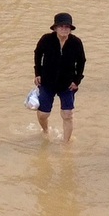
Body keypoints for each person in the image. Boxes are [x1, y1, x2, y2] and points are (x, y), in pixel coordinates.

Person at [34, 11, 85, 140]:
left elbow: (81, 61)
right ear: (55, 28)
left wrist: (77, 81)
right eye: (61, 26)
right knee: (43, 114)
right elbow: (38, 54)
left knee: (68, 115)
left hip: (67, 84)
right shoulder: (46, 39)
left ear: (70, 29)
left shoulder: (76, 42)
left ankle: (66, 144)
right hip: (47, 82)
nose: (64, 29)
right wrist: (37, 74)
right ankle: (45, 131)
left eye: (67, 26)